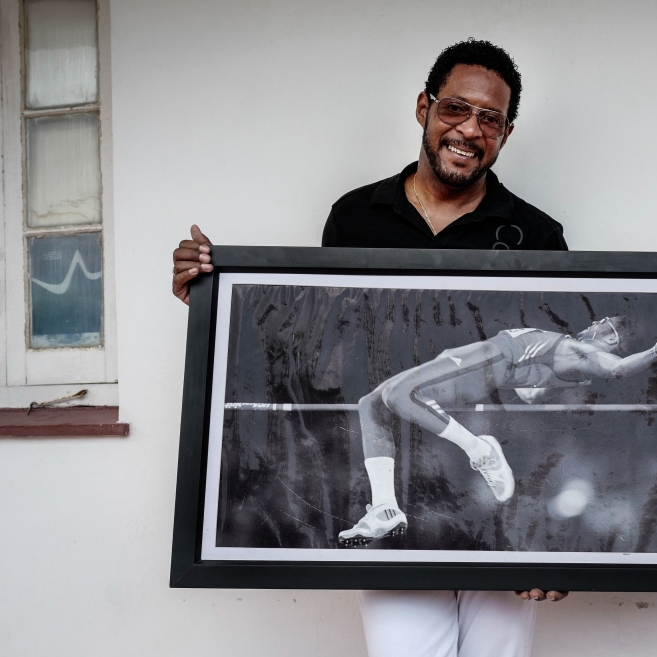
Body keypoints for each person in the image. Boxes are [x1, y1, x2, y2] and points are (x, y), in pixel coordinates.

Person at [173, 39, 571, 657]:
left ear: (506, 133)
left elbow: (554, 379)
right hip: (404, 466)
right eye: (455, 109)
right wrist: (213, 304)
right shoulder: (355, 216)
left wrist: (551, 535)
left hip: (497, 494)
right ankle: (390, 503)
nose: (469, 130)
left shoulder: (538, 234)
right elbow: (317, 342)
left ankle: (475, 453)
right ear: (424, 107)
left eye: (490, 119)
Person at [340, 319, 657, 546]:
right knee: (372, 404)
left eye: (602, 322)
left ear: (611, 337)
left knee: (399, 395)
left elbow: (618, 369)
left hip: (486, 362)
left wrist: (653, 352)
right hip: (478, 361)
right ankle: (384, 507)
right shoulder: (568, 362)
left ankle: (479, 450)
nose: (592, 323)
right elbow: (530, 395)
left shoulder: (585, 351)